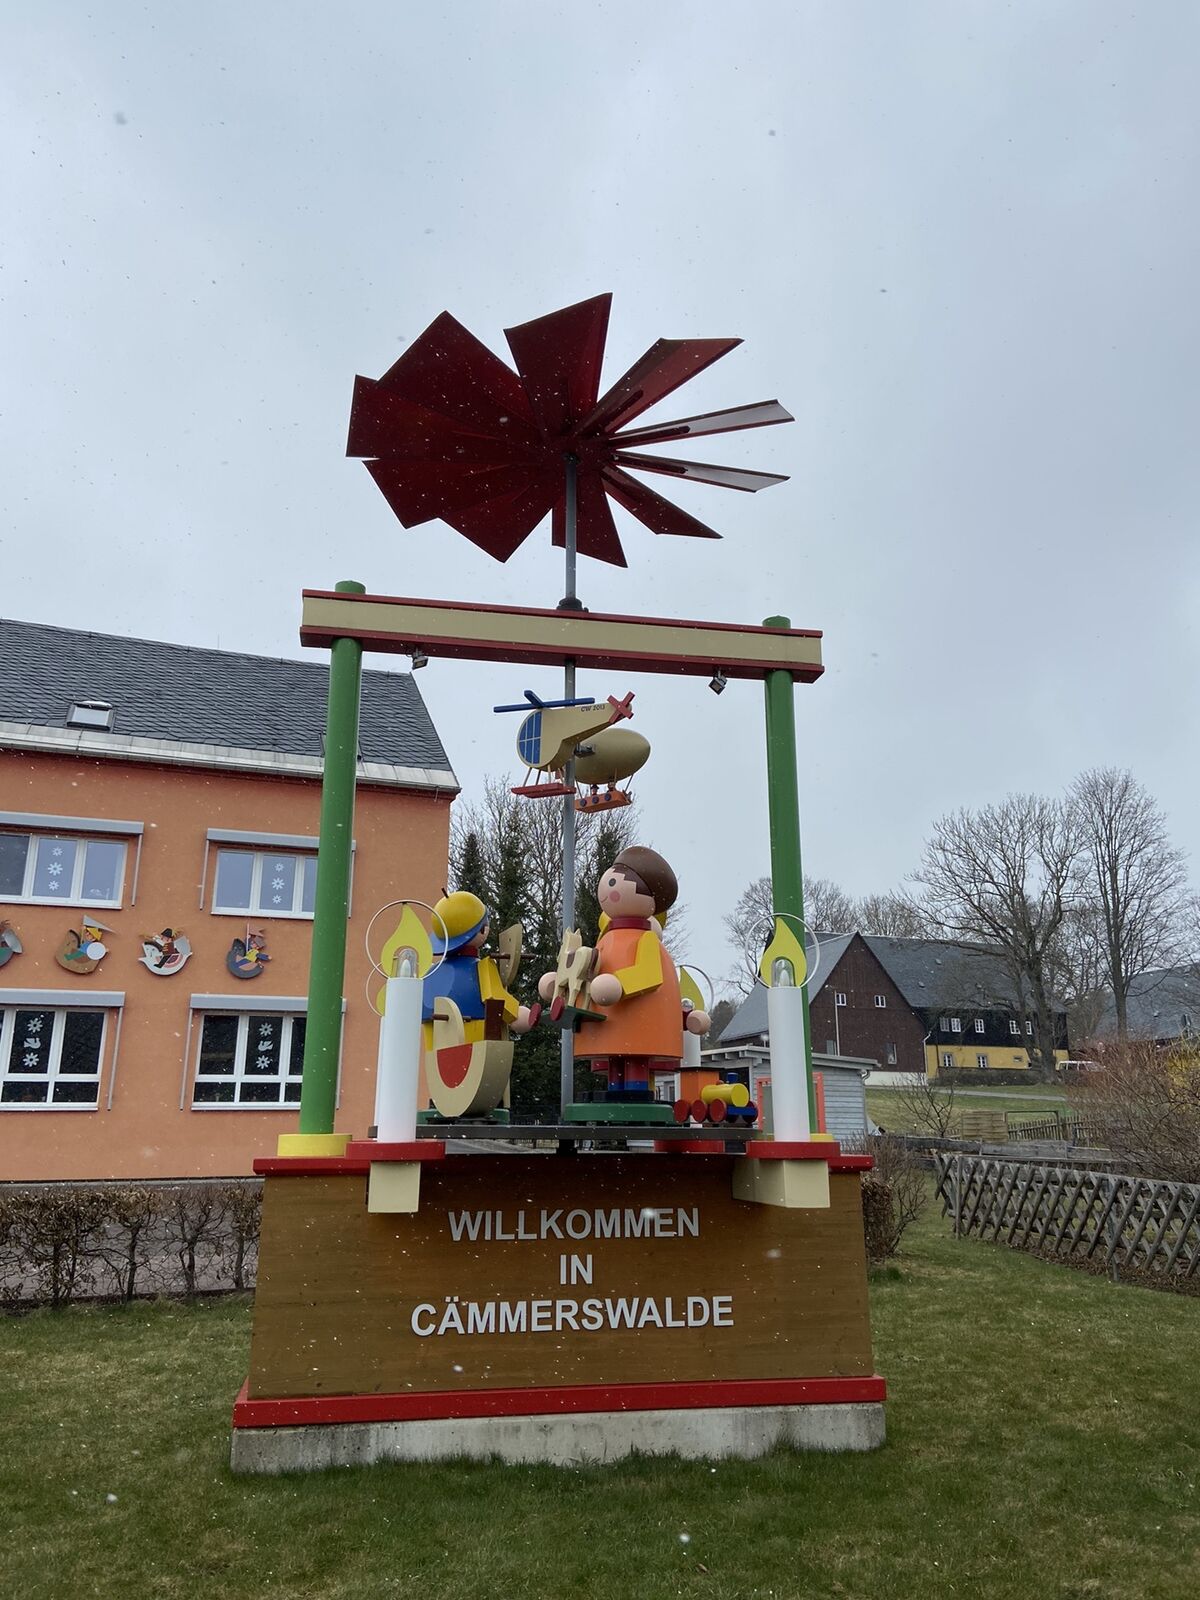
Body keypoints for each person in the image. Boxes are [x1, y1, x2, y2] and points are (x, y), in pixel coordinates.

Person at [541, 847, 708, 1100]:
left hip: (636, 1022)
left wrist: (619, 984)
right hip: (607, 1023)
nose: (608, 886)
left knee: (633, 1060)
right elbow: (590, 969)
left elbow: (650, 975)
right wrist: (561, 984)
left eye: (617, 880)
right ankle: (619, 1092)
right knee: (617, 1060)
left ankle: (635, 1093)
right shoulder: (606, 940)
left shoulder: (647, 940)